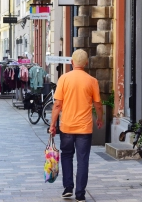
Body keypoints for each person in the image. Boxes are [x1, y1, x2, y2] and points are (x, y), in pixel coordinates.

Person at [49, 49, 103, 202]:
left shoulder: (64, 79)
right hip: (84, 128)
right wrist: (100, 119)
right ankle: (80, 194)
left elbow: (58, 104)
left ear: (72, 62)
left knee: (66, 156)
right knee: (83, 160)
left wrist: (52, 124)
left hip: (66, 126)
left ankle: (68, 188)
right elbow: (98, 105)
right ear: (86, 63)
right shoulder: (92, 81)